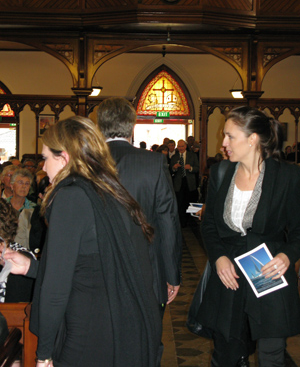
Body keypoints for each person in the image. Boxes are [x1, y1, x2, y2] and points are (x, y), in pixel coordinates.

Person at [4, 116, 161, 367]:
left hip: (88, 333)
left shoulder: (70, 196)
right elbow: (89, 264)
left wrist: (43, 353)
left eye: (46, 158)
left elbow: (56, 288)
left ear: (64, 158)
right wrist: (31, 267)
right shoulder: (107, 188)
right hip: (121, 325)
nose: (42, 167)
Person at [197, 106, 300, 367]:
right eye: (224, 136)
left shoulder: (287, 176)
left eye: (230, 136)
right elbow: (209, 224)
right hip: (229, 275)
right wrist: (218, 257)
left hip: (267, 272)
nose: (223, 143)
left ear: (253, 138)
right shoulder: (221, 173)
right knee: (226, 354)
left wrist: (288, 256)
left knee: (271, 355)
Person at [97, 97, 182, 365]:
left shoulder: (86, 162)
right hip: (147, 269)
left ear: (99, 126)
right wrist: (172, 275)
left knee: (104, 343)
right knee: (147, 341)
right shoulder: (153, 163)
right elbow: (168, 219)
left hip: (98, 269)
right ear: (131, 126)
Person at [170, 139, 199, 227]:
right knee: (180, 202)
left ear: (185, 146)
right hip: (179, 182)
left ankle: (189, 220)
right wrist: (174, 167)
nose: (180, 148)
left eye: (182, 146)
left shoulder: (192, 155)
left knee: (189, 201)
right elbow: (171, 169)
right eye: (179, 146)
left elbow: (197, 168)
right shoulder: (174, 157)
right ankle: (181, 222)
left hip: (189, 182)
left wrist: (190, 168)